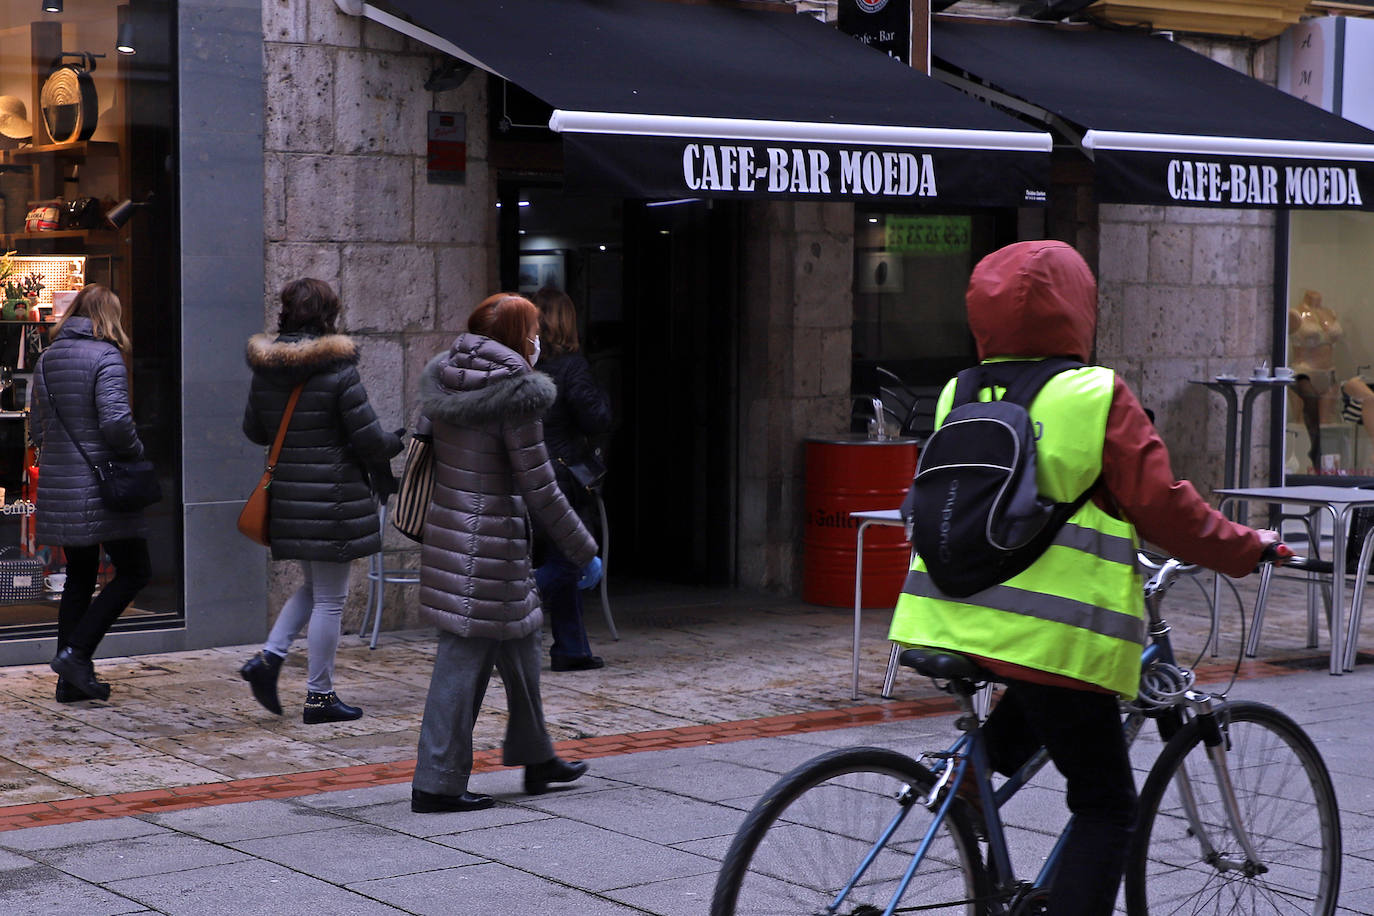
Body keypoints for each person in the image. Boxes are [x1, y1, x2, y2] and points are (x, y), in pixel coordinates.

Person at [887, 241, 1278, 916]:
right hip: (1055, 635)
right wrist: (1251, 547)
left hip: (943, 617)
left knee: (1034, 698)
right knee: (1107, 807)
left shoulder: (960, 390)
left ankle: (967, 789)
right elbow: (1166, 509)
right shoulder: (1096, 394)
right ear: (1077, 307)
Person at [410, 292, 601, 814]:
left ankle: (538, 758)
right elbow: (539, 486)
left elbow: (422, 441)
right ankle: (437, 783)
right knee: (460, 664)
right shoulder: (516, 392)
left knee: (520, 646)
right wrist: (584, 551)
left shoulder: (447, 374)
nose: (539, 339)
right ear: (520, 337)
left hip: (455, 533)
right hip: (489, 542)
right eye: (534, 330)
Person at [238, 278, 402, 725]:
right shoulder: (338, 369)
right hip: (332, 499)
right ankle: (319, 697)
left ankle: (268, 661)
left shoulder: (266, 366)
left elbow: (254, 431)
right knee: (331, 598)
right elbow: (368, 438)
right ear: (327, 313)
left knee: (314, 588)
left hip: (290, 495)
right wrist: (396, 444)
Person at [32, 284, 153, 703]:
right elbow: (117, 423)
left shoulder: (47, 359)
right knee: (136, 570)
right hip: (103, 483)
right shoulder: (106, 356)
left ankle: (70, 682)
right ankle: (77, 655)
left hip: (62, 483)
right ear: (108, 317)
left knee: (80, 578)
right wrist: (136, 453)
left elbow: (36, 428)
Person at [531, 288, 612, 671]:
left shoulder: (523, 363)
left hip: (527, 473)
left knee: (559, 555)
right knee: (570, 558)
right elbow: (595, 418)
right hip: (561, 476)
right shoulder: (572, 366)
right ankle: (520, 595)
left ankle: (571, 648)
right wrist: (606, 397)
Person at [1289, 289, 1343, 469]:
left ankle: (1322, 466)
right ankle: (1312, 453)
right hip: (1305, 372)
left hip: (1329, 374)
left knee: (1326, 425)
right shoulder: (1294, 314)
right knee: (1304, 421)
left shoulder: (1330, 313)